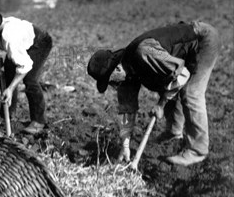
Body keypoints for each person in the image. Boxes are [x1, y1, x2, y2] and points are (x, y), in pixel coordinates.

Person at [87, 21, 220, 166]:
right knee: (165, 82)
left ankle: (197, 151)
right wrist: (125, 146)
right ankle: (173, 133)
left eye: (111, 81)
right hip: (182, 55)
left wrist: (161, 105)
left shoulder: (144, 53)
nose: (113, 86)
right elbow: (127, 110)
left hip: (202, 40)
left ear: (117, 70)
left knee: (191, 92)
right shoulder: (124, 75)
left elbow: (182, 75)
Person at [0, 3, 53, 135]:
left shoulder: (9, 37)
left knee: (30, 80)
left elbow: (25, 66)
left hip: (38, 43)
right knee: (7, 76)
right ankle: (6, 115)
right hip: (21, 45)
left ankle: (38, 121)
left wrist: (11, 88)